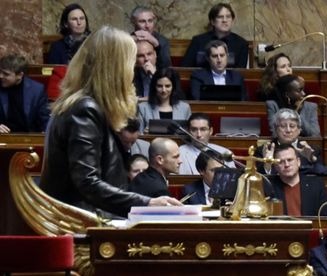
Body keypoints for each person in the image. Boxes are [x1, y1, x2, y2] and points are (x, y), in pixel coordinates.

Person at [40, 26, 180, 218]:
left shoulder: (86, 105)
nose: (132, 72)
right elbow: (87, 183)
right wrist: (146, 203)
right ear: (115, 68)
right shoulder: (85, 109)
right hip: (83, 225)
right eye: (130, 63)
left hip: (91, 220)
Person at [258, 108, 325, 175]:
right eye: (283, 126)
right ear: (275, 130)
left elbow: (323, 175)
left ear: (299, 130)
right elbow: (258, 178)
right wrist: (267, 165)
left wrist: (312, 159)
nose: (288, 130)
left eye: (292, 126)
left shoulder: (312, 150)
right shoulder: (264, 151)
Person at [181, 3, 249, 68]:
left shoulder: (241, 44)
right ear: (212, 21)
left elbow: (240, 73)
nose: (225, 20)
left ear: (232, 20)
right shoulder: (198, 41)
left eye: (228, 17)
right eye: (220, 17)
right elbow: (184, 68)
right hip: (201, 79)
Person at [268, 144, 327, 216]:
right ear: (275, 167)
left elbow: (324, 217)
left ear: (298, 162)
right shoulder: (270, 187)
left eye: (290, 160)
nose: (286, 165)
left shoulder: (316, 185)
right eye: (281, 162)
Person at [0, 54, 50, 133]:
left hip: (27, 138)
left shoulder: (37, 90)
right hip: (3, 137)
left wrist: (46, 133)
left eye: (6, 74)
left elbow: (45, 119)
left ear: (20, 75)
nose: (1, 76)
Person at [138, 67, 192, 132]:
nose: (163, 90)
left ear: (173, 87)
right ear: (154, 87)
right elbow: (138, 135)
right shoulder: (143, 108)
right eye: (159, 86)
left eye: (167, 86)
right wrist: (144, 133)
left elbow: (190, 134)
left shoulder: (184, 108)